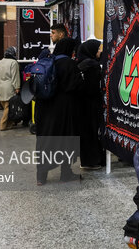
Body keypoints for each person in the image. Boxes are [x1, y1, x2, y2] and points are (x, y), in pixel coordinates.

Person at [34, 36, 83, 185]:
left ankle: (41, 177)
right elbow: (76, 86)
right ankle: (65, 173)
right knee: (66, 140)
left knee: (45, 141)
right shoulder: (69, 64)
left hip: (44, 108)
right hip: (63, 109)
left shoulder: (49, 62)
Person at [76, 39, 104, 169]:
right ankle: (93, 161)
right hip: (91, 104)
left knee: (86, 132)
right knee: (92, 131)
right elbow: (93, 88)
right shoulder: (92, 65)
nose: (100, 51)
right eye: (98, 49)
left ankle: (87, 160)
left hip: (81, 104)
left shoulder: (80, 63)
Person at [0, 46, 20, 131]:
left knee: (5, 105)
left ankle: (9, 123)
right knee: (8, 107)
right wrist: (17, 87)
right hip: (9, 86)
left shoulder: (1, 61)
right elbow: (15, 76)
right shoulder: (14, 62)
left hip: (1, 85)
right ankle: (2, 125)